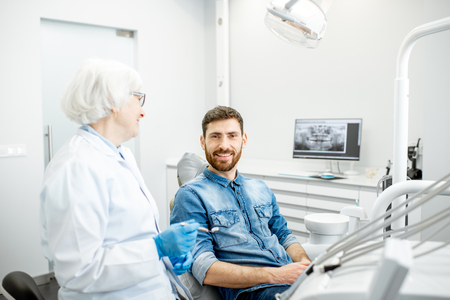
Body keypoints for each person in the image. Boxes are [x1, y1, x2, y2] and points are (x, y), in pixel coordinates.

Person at [40, 58, 199, 300]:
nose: (143, 111)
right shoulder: (75, 167)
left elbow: (128, 236)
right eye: (138, 99)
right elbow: (79, 271)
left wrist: (167, 254)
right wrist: (156, 248)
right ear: (113, 102)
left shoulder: (121, 153)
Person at [170, 106, 311, 300]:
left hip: (292, 278)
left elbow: (284, 236)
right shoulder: (190, 195)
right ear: (203, 142)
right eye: (215, 136)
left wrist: (306, 266)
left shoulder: (260, 188)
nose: (224, 145)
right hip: (254, 291)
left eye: (232, 136)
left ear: (243, 140)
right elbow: (204, 267)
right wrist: (275, 275)